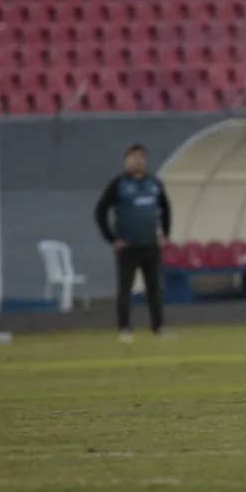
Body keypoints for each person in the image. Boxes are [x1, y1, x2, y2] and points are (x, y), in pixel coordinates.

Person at [94, 144, 172, 343]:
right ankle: (124, 328)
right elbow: (100, 211)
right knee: (125, 289)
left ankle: (158, 326)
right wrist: (112, 239)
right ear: (126, 161)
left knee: (154, 288)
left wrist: (165, 233)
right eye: (132, 158)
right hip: (128, 246)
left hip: (150, 244)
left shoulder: (154, 184)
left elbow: (165, 208)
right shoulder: (118, 184)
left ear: (145, 160)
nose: (136, 161)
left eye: (139, 157)